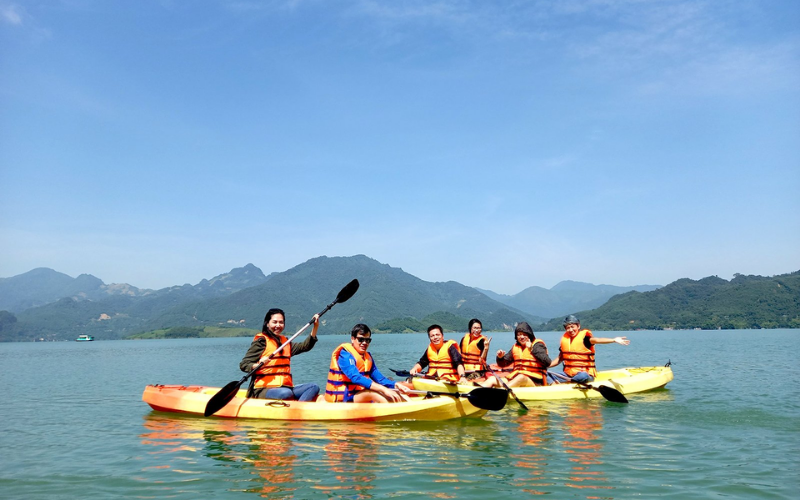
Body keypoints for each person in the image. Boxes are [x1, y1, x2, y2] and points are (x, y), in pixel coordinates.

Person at [239, 308, 320, 401]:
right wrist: (257, 364)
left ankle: (296, 410)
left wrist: (315, 326)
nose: (278, 325)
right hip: (263, 389)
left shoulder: (286, 342)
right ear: (267, 323)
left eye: (281, 322)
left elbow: (305, 346)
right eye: (274, 322)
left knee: (313, 387)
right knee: (285, 393)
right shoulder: (261, 342)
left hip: (285, 387)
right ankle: (294, 408)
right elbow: (244, 364)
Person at [324, 324, 409, 403]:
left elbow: (380, 379)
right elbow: (355, 378)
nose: (364, 343)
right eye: (361, 339)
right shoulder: (345, 356)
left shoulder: (367, 358)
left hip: (358, 394)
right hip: (344, 398)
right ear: (353, 339)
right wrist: (383, 389)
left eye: (367, 340)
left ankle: (409, 406)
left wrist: (395, 384)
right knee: (373, 393)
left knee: (395, 392)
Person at [549, 315, 630, 383]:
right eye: (568, 328)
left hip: (585, 374)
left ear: (578, 326)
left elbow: (598, 340)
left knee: (582, 376)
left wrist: (613, 340)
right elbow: (560, 359)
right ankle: (557, 383)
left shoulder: (585, 339)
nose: (570, 330)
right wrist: (546, 366)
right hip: (568, 374)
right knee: (546, 374)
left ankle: (569, 382)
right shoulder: (565, 340)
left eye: (572, 327)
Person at [485, 322, 550, 387]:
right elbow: (503, 364)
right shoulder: (515, 347)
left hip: (535, 381)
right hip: (515, 377)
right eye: (519, 335)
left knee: (521, 377)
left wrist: (532, 349)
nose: (521, 337)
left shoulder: (537, 345)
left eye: (524, 334)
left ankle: (501, 393)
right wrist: (500, 358)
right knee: (492, 379)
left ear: (529, 335)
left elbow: (547, 362)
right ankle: (477, 394)